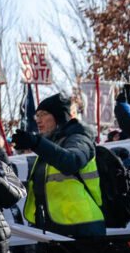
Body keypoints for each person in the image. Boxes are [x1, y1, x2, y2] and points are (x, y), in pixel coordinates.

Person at [12, 93, 105, 239]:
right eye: (37, 115)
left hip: (82, 227)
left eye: (44, 114)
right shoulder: (51, 145)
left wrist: (36, 143)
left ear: (60, 117)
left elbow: (71, 162)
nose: (38, 120)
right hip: (57, 228)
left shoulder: (79, 138)